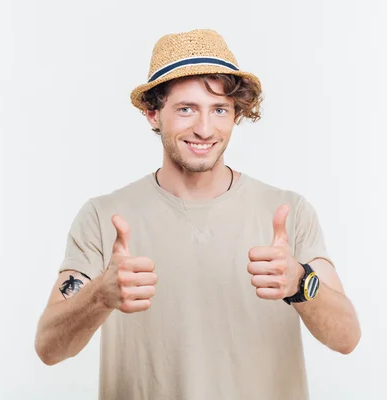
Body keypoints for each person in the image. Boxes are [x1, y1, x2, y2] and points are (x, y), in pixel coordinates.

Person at [34, 28, 361, 400]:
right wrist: (99, 296)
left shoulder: (288, 213)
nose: (204, 129)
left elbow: (347, 338)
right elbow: (49, 348)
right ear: (152, 114)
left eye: (219, 109)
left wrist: (301, 283)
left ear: (236, 114)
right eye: (186, 109)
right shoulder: (103, 216)